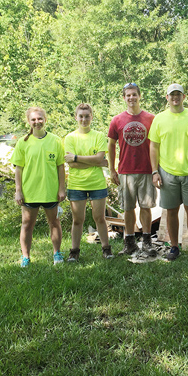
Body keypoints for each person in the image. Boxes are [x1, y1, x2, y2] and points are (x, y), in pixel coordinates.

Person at [148, 83, 188, 261]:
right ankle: (174, 247)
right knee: (171, 210)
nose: (175, 97)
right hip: (167, 172)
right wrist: (154, 171)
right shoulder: (159, 119)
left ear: (184, 97)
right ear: (167, 98)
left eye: (178, 94)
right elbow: (154, 146)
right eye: (172, 95)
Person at [10, 107, 66, 267]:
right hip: (30, 192)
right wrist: (18, 191)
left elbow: (60, 167)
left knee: (54, 222)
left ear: (45, 119)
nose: (37, 122)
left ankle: (57, 254)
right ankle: (26, 257)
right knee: (27, 224)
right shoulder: (23, 142)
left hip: (50, 191)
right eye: (33, 119)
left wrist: (62, 188)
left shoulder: (55, 141)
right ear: (29, 122)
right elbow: (18, 169)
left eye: (40, 118)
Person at [108, 83, 157, 256]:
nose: (131, 98)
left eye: (134, 94)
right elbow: (111, 145)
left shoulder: (151, 118)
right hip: (125, 171)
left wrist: (157, 170)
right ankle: (129, 243)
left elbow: (158, 145)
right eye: (128, 95)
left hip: (146, 170)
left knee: (146, 207)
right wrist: (112, 169)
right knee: (128, 208)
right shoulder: (117, 120)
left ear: (139, 96)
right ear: (124, 98)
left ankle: (147, 242)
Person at [64, 103, 113, 261]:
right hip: (76, 184)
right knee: (78, 220)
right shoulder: (70, 137)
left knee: (99, 218)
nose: (84, 119)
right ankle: (74, 251)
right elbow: (71, 164)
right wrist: (96, 162)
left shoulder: (98, 136)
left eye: (87, 116)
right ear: (76, 117)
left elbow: (99, 158)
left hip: (96, 183)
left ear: (91, 117)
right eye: (81, 116)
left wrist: (77, 157)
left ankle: (106, 249)